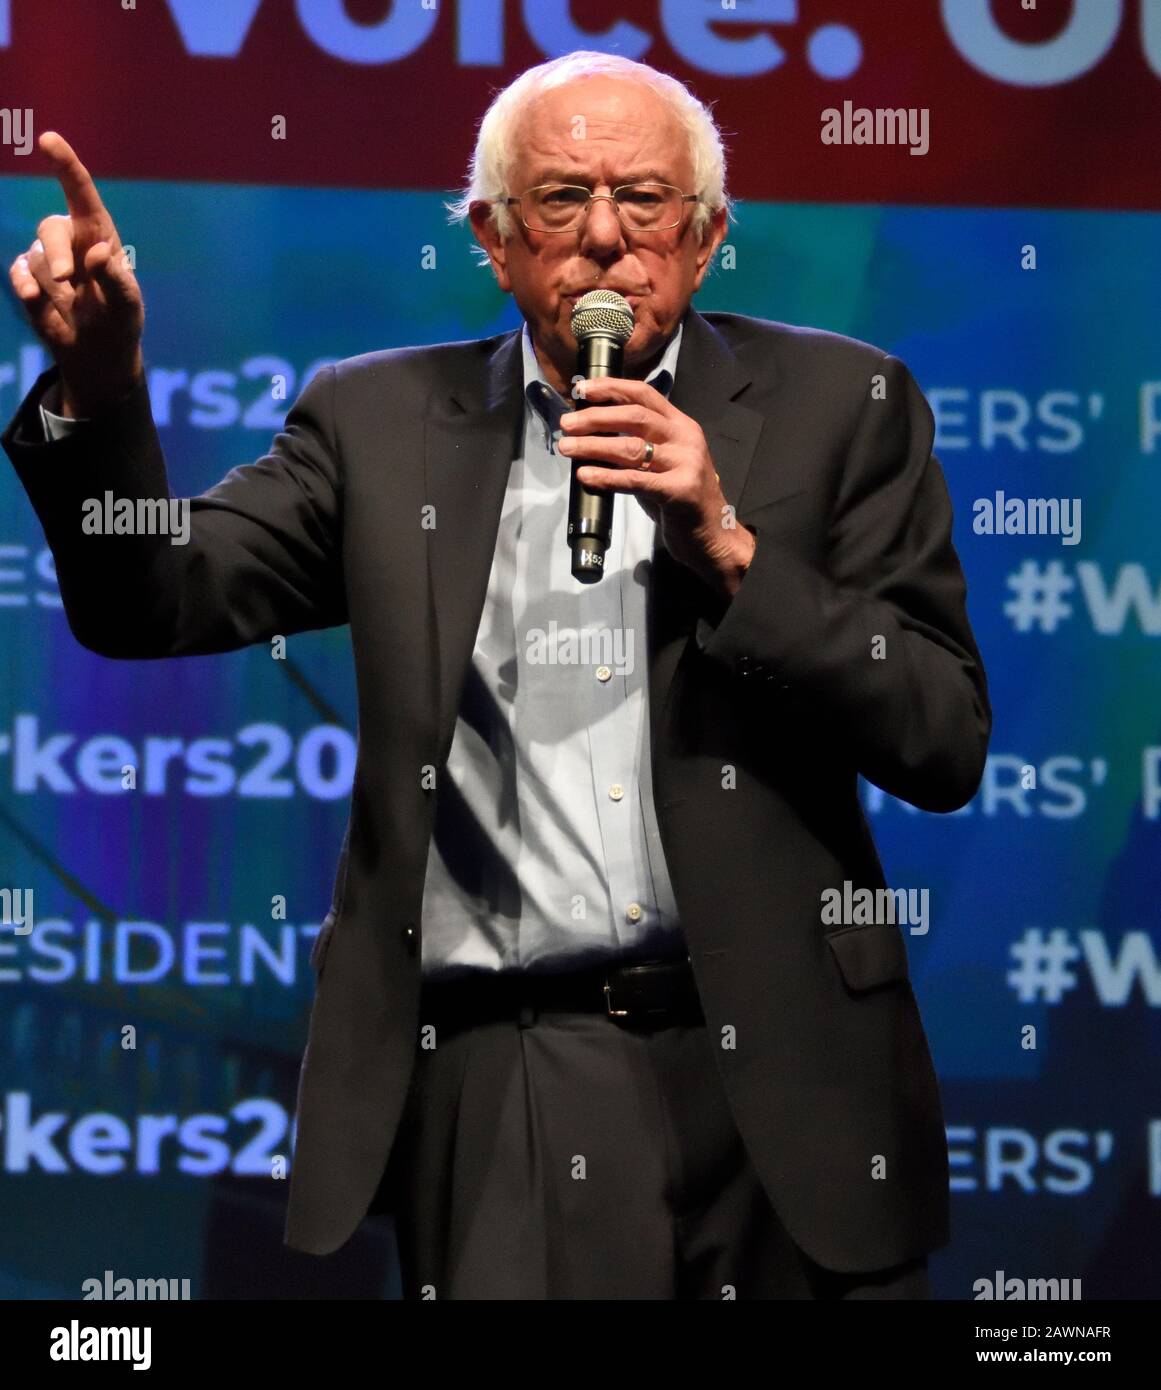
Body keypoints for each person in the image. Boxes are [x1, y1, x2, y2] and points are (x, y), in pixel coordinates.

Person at [3, 51, 990, 1299]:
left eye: (644, 201)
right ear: (491, 238)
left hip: (787, 1073)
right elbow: (154, 598)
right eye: (561, 199)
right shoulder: (377, 424)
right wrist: (99, 392)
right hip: (508, 1065)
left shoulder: (843, 406)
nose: (605, 240)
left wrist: (735, 557)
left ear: (707, 235)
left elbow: (944, 736)